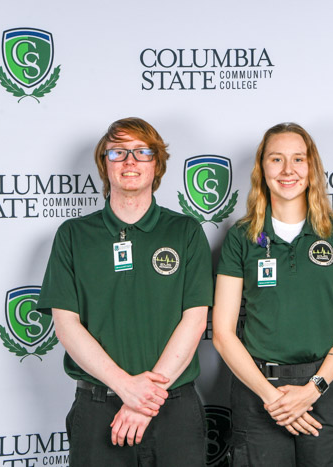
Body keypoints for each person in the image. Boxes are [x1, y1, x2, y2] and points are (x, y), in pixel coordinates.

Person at [35, 117, 212, 466]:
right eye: (118, 152)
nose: (130, 161)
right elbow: (67, 326)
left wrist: (145, 400)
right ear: (104, 163)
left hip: (174, 409)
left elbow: (194, 320)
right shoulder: (73, 235)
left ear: (156, 164)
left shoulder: (186, 231)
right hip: (99, 410)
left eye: (141, 152)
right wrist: (126, 387)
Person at [212, 122, 333, 466]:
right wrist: (274, 399)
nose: (288, 170)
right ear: (262, 169)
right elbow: (223, 334)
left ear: (311, 167)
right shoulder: (241, 237)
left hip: (325, 388)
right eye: (276, 159)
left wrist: (312, 390)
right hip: (258, 391)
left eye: (298, 159)